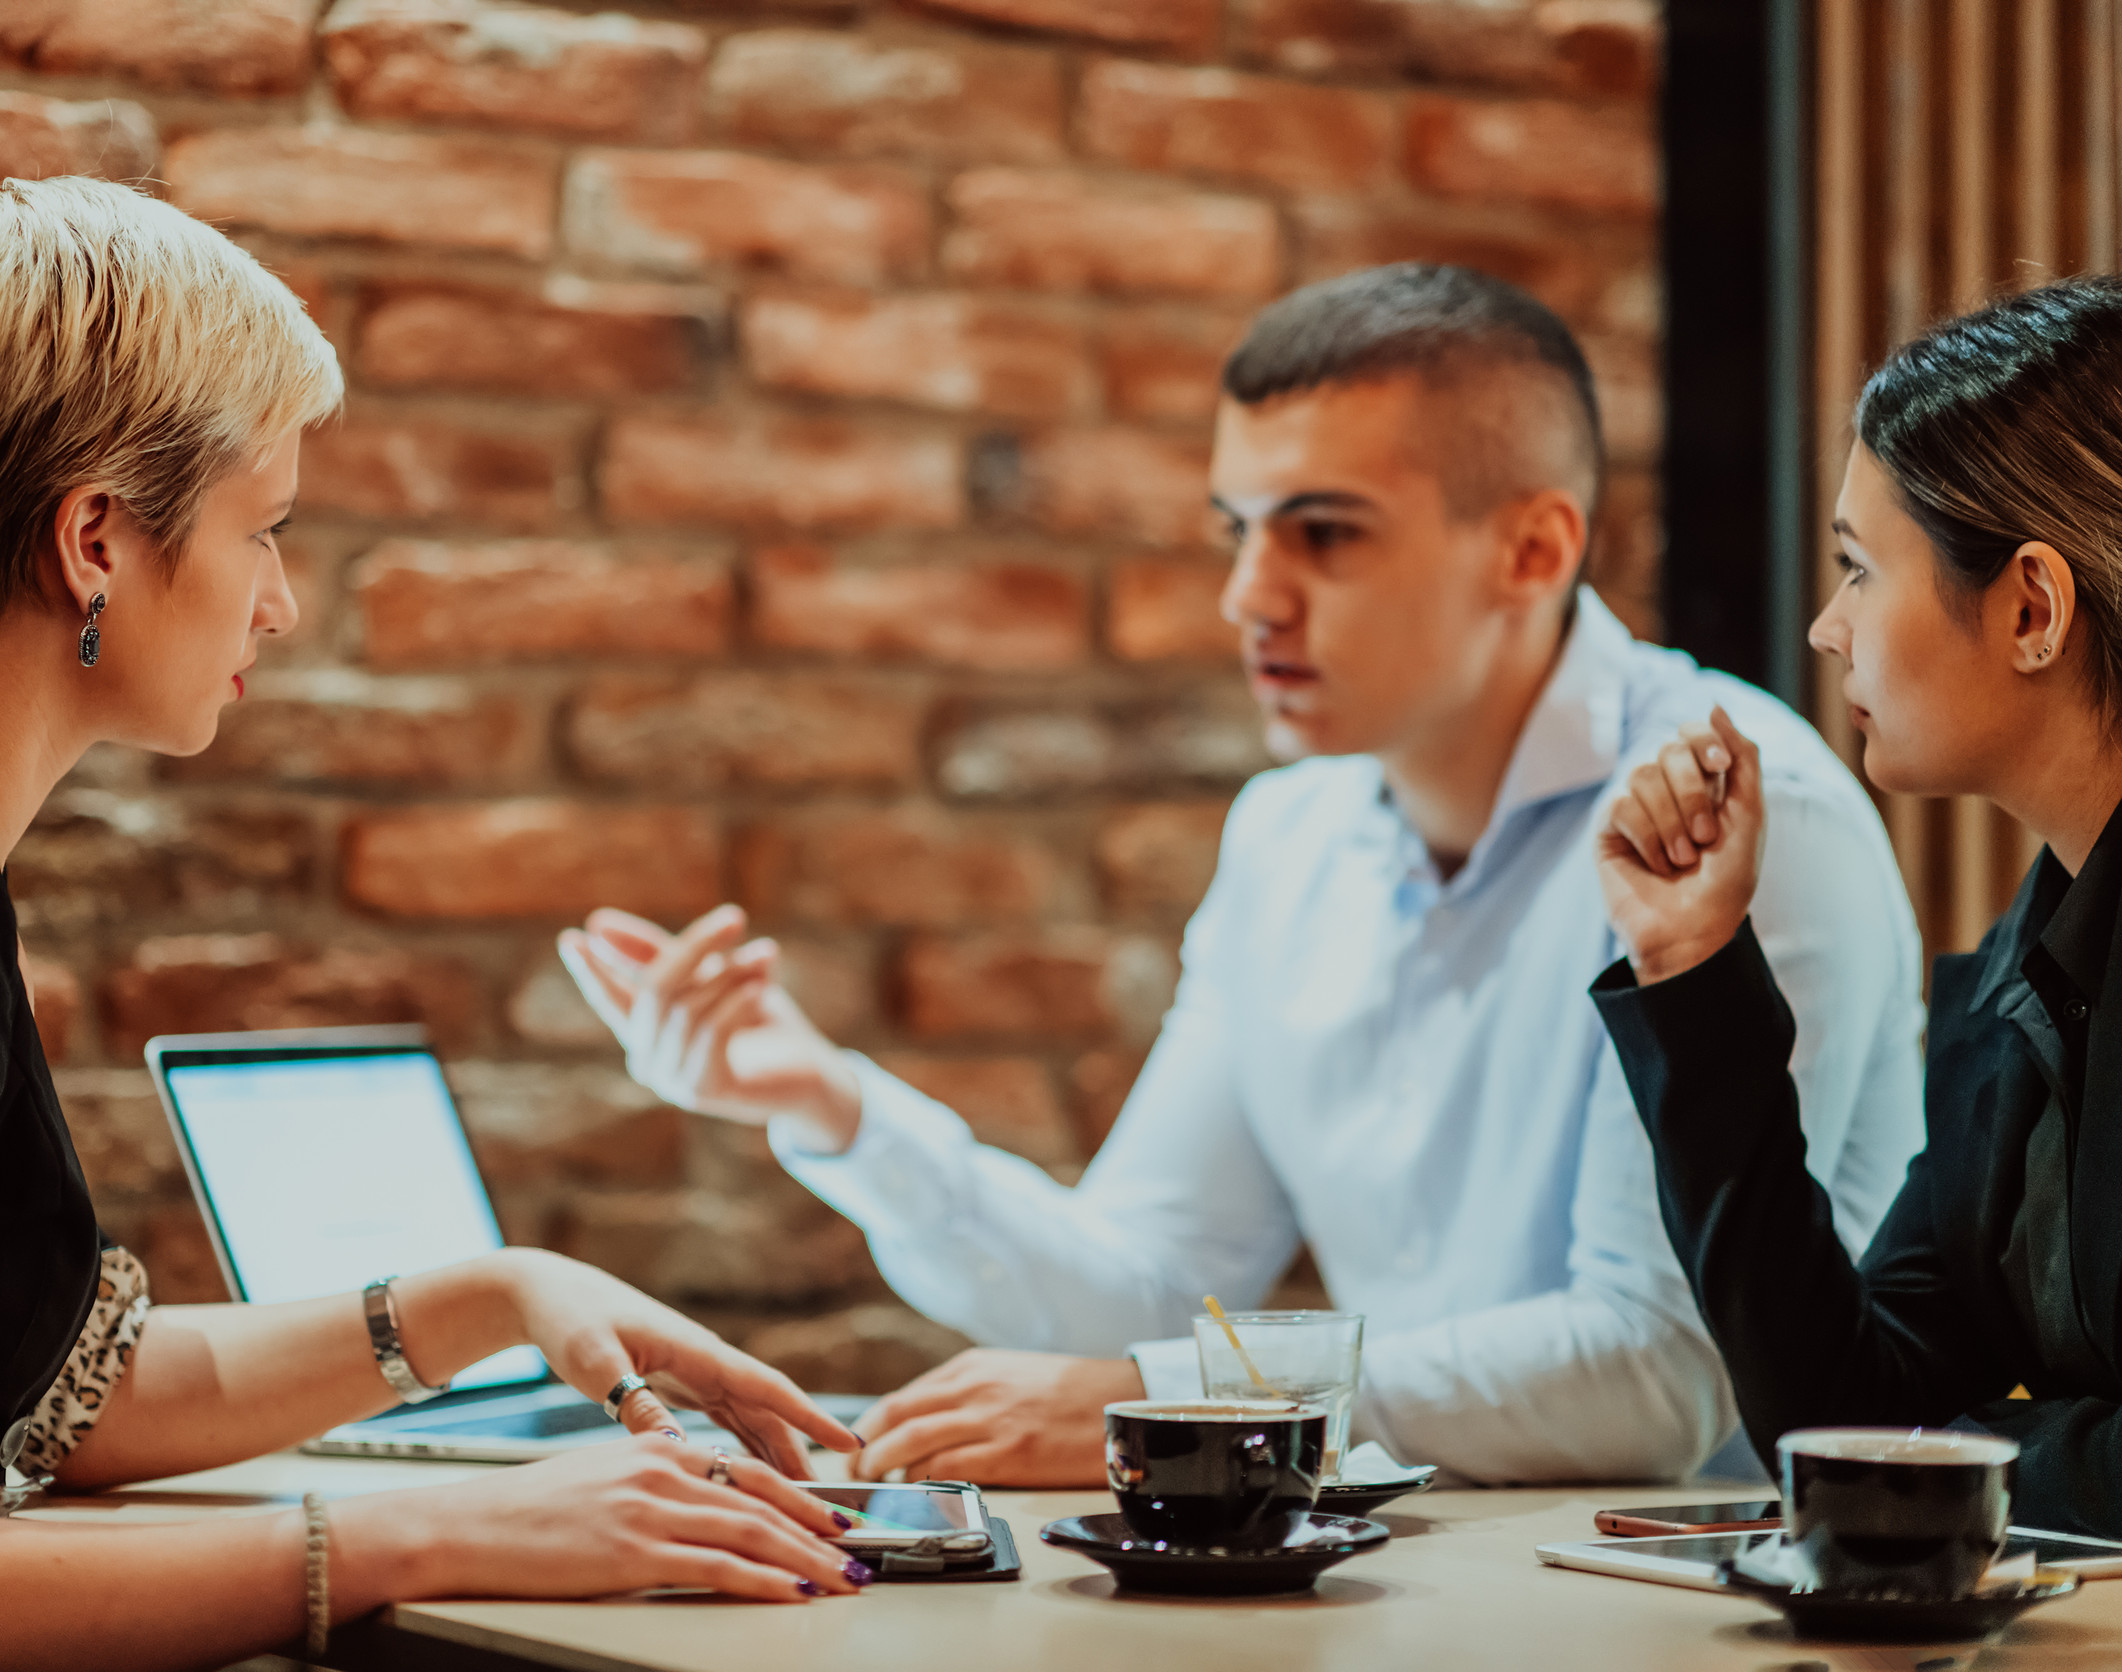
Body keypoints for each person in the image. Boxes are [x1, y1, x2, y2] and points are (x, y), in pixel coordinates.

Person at [0, 177, 873, 1672]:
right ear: (95, 539)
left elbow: (67, 1391)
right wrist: (452, 1532)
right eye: (261, 529)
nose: (277, 604)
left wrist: (508, 1292)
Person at [560, 264, 1928, 1489]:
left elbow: (1655, 1379)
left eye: (1323, 534)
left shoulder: (1741, 815)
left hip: (1711, 1609)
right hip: (1406, 1594)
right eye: (1239, 530)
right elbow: (1149, 1284)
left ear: (1534, 550)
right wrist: (834, 1106)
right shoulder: (1290, 834)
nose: (1250, 597)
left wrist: (1177, 1402)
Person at [1595, 273, 2122, 1537]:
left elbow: (1897, 1453)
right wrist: (1693, 966)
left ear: (2033, 609)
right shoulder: (2039, 948)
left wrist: (1955, 1456)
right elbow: (1840, 1411)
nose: (1829, 629)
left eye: (1857, 569)